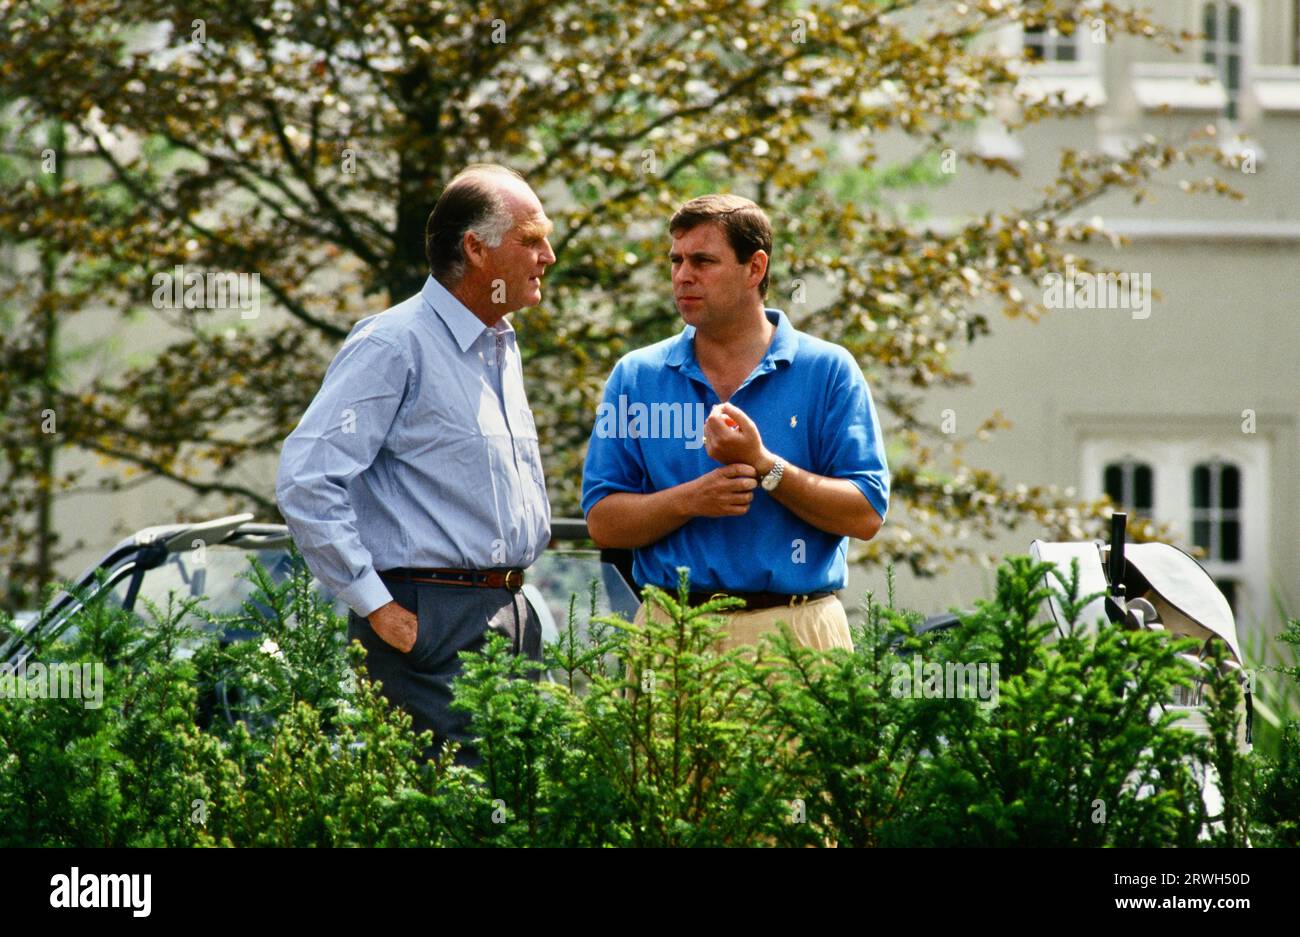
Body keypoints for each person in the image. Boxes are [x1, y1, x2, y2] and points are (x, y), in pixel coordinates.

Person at [275, 163, 555, 765]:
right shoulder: (392, 342)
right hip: (430, 620)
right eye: (531, 239)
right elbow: (306, 480)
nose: (548, 255)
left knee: (514, 812)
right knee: (452, 817)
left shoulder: (500, 345)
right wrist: (377, 605)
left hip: (510, 613)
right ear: (476, 249)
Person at [581, 194, 888, 654]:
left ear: (755, 268)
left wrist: (764, 466)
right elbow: (603, 523)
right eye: (676, 260)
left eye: (703, 260)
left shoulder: (828, 370)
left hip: (797, 635)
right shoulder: (637, 375)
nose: (684, 275)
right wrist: (693, 499)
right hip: (670, 636)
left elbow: (865, 514)